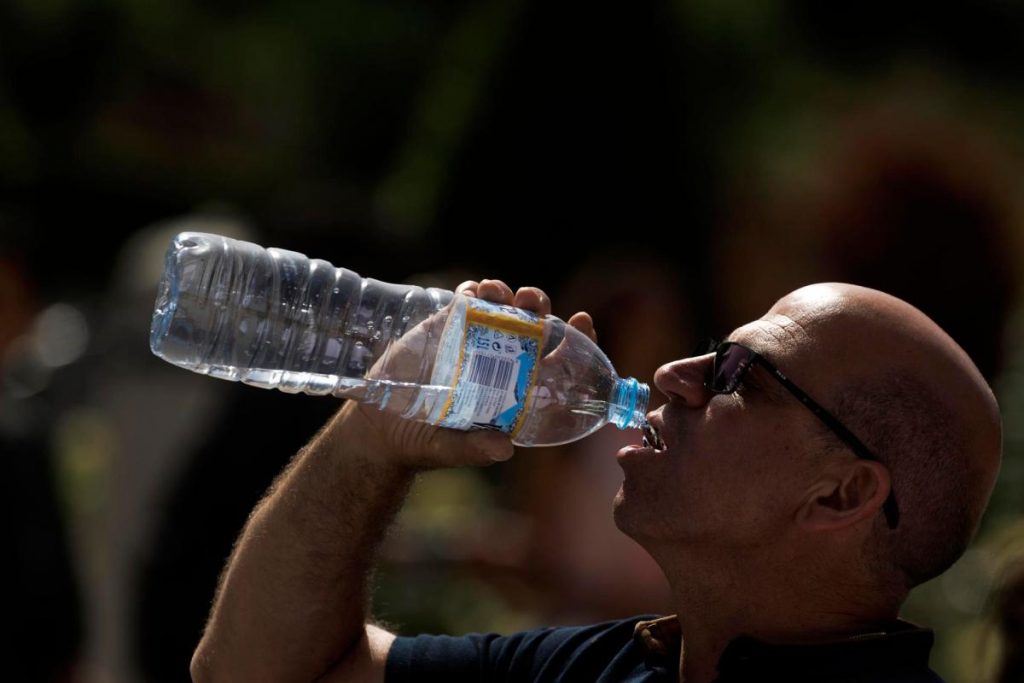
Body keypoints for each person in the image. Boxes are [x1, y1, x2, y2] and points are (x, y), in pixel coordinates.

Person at [189, 279, 1002, 683]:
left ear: (841, 494)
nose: (675, 373)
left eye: (740, 375)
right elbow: (254, 670)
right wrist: (370, 440)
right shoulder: (615, 662)